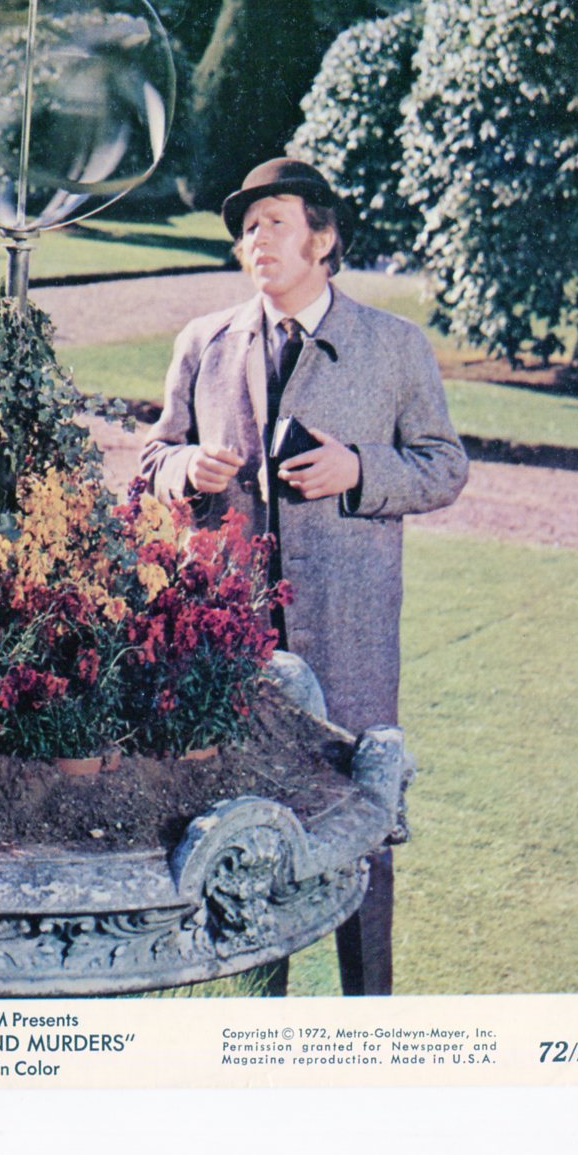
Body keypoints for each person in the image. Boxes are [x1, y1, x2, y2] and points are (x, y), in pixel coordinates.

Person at [139, 157, 468, 994]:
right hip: (234, 642)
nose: (256, 239)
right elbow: (152, 457)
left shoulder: (394, 346)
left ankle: (369, 1014)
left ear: (322, 240)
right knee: (244, 834)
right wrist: (183, 468)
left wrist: (358, 469)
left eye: (275, 222)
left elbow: (444, 466)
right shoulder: (204, 343)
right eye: (247, 228)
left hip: (351, 637)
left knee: (364, 824)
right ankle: (261, 1023)